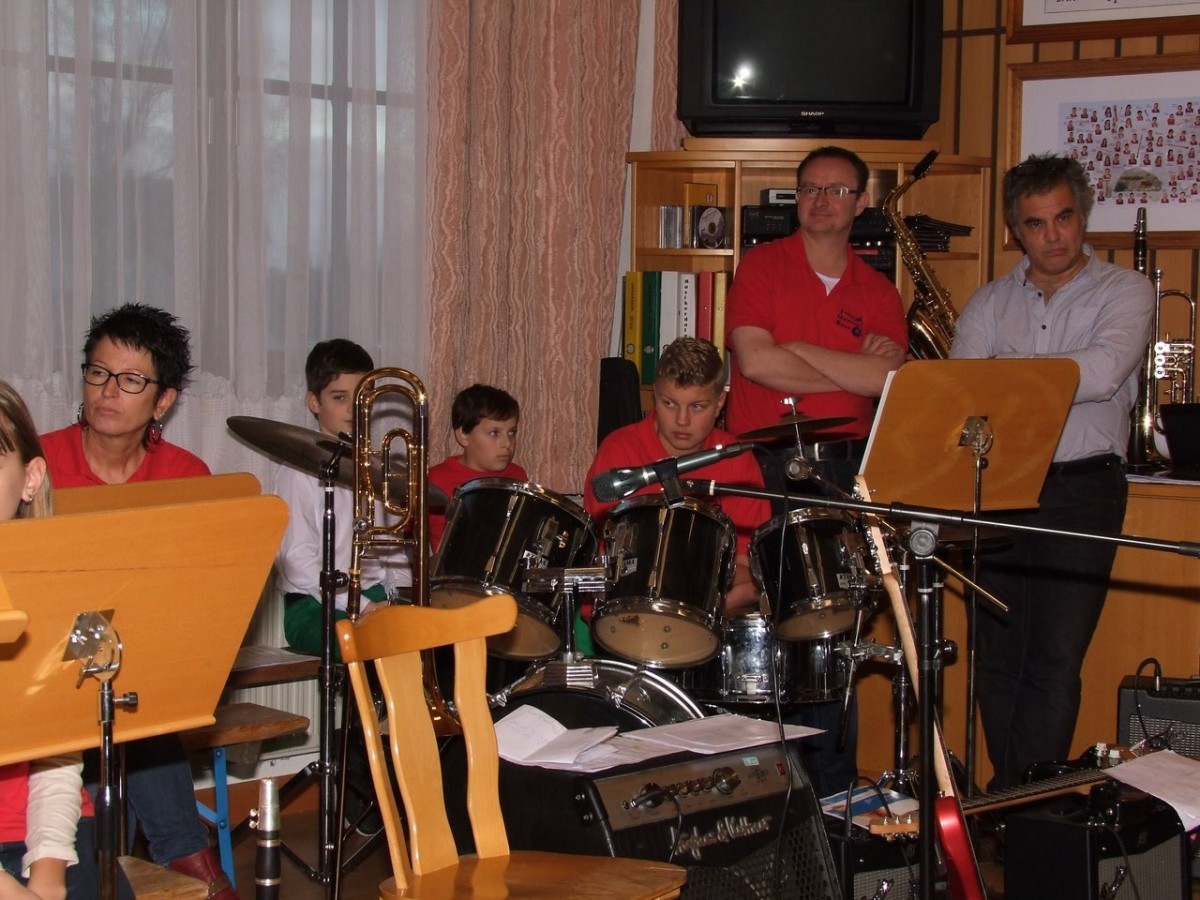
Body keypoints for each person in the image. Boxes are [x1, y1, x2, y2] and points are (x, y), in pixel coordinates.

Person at [950, 154, 1153, 790]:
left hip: (1082, 486)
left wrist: (1003, 376)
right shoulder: (988, 302)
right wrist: (1025, 379)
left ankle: (1025, 800)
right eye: (1036, 224)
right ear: (1017, 230)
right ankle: (1009, 797)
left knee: (1056, 659)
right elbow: (964, 392)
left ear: (1082, 216)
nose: (1054, 236)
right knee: (997, 656)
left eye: (1064, 217)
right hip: (998, 487)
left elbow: (1102, 374)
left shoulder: (1126, 291)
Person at [724, 145, 908, 798]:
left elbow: (888, 381)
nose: (820, 201)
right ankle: (766, 794)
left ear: (862, 202)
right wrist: (849, 368)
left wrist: (800, 350)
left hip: (843, 471)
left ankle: (830, 798)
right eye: (808, 189)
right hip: (764, 467)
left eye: (836, 190)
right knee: (765, 630)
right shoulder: (762, 266)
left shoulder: (878, 290)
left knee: (831, 634)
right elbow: (756, 363)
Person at [40, 305, 235, 897]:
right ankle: (186, 854)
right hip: (45, 662)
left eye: (130, 380)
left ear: (162, 401)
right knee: (116, 679)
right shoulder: (36, 464)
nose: (108, 391)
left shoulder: (186, 474)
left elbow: (195, 597)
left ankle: (150, 854)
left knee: (132, 678)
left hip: (141, 665)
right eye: (98, 373)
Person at [0, 380, 105, 900]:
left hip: (47, 829)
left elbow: (60, 754)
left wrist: (47, 872)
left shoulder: (67, 591)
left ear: (30, 478)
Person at [583, 337, 770, 616]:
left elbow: (746, 571)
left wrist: (693, 613)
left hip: (709, 618)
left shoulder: (737, 459)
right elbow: (598, 559)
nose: (682, 420)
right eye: (669, 404)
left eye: (697, 406)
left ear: (720, 402)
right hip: (625, 614)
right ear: (655, 396)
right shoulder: (620, 451)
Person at [274, 339, 412, 657]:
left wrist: (400, 599)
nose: (353, 409)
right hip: (313, 604)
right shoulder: (297, 471)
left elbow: (390, 548)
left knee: (432, 632)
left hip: (374, 594)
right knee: (378, 641)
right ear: (314, 402)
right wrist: (363, 607)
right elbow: (297, 562)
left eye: (361, 398)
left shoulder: (375, 468)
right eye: (339, 397)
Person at [427, 384, 528, 550]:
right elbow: (406, 544)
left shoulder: (517, 475)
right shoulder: (435, 480)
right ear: (463, 435)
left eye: (512, 432)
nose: (507, 443)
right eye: (494, 433)